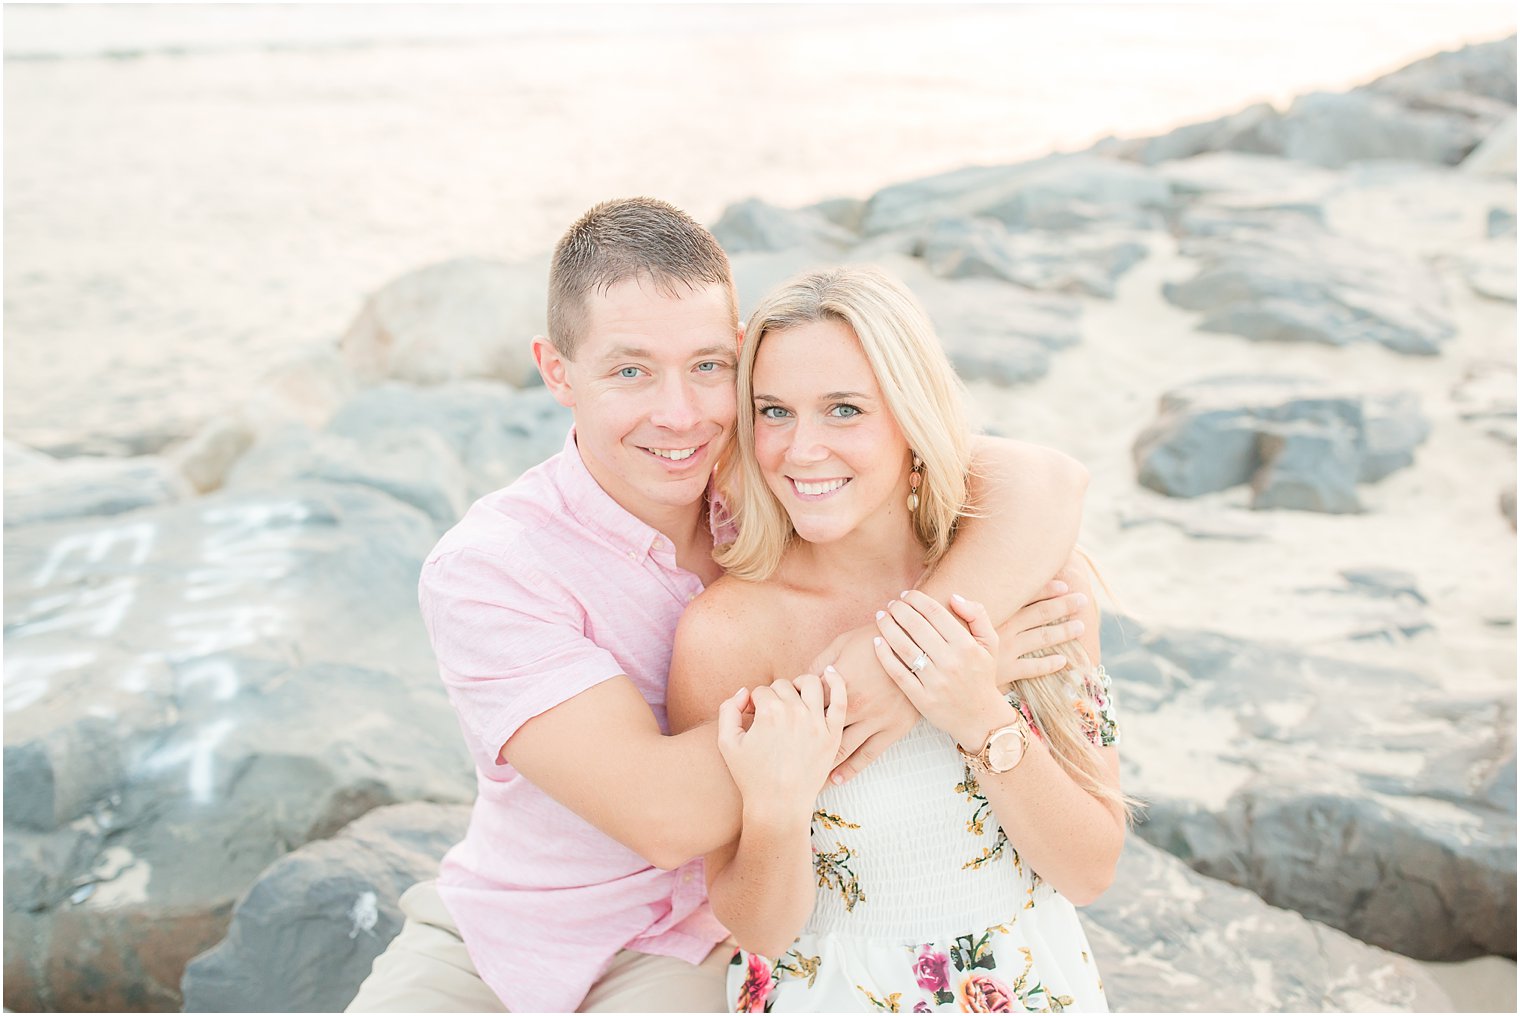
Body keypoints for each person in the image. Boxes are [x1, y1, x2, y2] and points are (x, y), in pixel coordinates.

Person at [346, 198, 1093, 1013]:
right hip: (513, 930)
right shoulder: (491, 568)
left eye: (707, 367)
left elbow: (1042, 479)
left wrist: (942, 658)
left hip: (701, 942)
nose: (680, 414)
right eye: (630, 371)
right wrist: (909, 668)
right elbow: (663, 817)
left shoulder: (788, 472)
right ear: (557, 370)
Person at [668, 266, 1127, 1012]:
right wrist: (779, 805)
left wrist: (977, 712)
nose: (801, 449)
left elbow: (1090, 870)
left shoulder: (1039, 585)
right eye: (774, 412)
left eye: (844, 409)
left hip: (1025, 986)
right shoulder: (726, 634)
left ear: (912, 420)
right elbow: (756, 925)